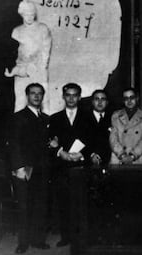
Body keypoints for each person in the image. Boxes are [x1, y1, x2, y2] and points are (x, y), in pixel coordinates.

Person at [8, 83, 51, 253]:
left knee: (40, 206)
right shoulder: (18, 117)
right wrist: (18, 167)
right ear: (27, 96)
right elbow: (14, 145)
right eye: (33, 93)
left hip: (42, 169)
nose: (36, 96)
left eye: (40, 93)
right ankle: (23, 243)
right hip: (25, 169)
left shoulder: (46, 119)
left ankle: (38, 240)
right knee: (25, 207)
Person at [49, 83, 89, 247]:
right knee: (64, 202)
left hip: (81, 165)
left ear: (79, 97)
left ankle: (81, 237)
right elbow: (51, 142)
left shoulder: (88, 117)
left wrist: (82, 154)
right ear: (63, 97)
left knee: (81, 202)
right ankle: (66, 237)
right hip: (62, 166)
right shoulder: (55, 118)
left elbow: (93, 139)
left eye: (75, 95)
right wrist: (61, 152)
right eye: (68, 95)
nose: (71, 98)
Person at [5, 0, 52, 114]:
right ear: (22, 14)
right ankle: (18, 129)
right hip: (21, 70)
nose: (30, 17)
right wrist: (20, 70)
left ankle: (46, 128)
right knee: (20, 103)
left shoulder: (43, 28)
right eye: (27, 14)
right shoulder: (17, 31)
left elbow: (46, 49)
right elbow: (13, 52)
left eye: (32, 14)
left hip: (39, 68)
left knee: (43, 102)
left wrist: (40, 68)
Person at [109, 88, 142, 165]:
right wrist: (121, 154)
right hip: (118, 158)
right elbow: (113, 138)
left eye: (132, 98)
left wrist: (132, 156)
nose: (129, 101)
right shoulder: (116, 115)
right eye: (126, 98)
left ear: (137, 98)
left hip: (136, 159)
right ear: (123, 100)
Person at [86, 90, 112, 165]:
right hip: (87, 160)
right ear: (92, 102)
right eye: (97, 99)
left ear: (107, 102)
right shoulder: (83, 118)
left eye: (103, 99)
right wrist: (91, 155)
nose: (100, 102)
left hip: (109, 161)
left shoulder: (113, 118)